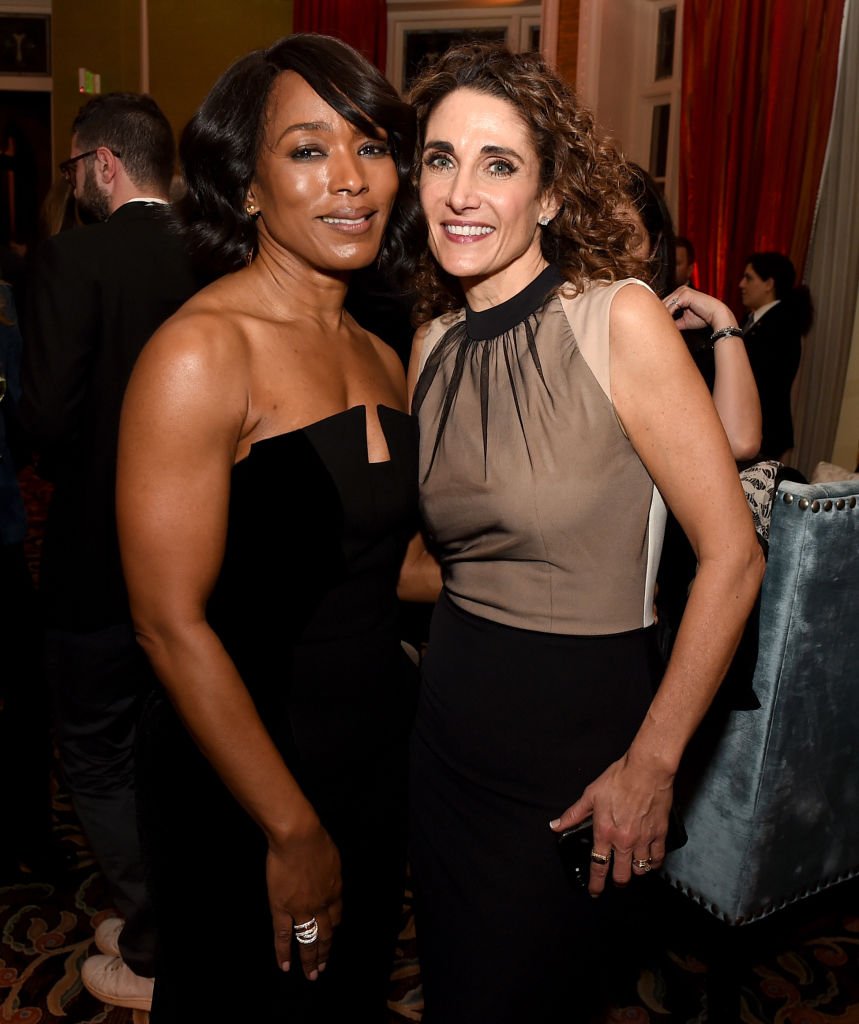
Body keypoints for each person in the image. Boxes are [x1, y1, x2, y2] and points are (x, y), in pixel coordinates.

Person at [404, 42, 764, 1023]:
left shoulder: (620, 320)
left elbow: (734, 557)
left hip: (578, 746)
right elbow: (437, 561)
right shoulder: (431, 340)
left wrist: (651, 765)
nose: (460, 191)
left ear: (552, 194)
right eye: (439, 159)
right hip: (445, 737)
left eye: (499, 162)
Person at [115, 33, 435, 1023]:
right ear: (247, 186)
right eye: (306, 149)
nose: (348, 179)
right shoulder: (202, 351)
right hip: (249, 785)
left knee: (340, 988)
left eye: (372, 146)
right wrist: (291, 830)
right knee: (274, 982)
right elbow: (168, 624)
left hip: (366, 762)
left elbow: (384, 565)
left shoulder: (384, 353)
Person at [18, 92, 199, 1011]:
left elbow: (46, 417)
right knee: (184, 736)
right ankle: (188, 913)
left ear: (99, 165)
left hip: (99, 546)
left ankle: (156, 926)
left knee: (92, 742)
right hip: (208, 550)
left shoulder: (74, 257)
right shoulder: (221, 257)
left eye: (73, 167)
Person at [740, 250, 813, 462]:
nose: (741, 284)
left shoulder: (781, 325)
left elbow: (759, 379)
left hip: (763, 433)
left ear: (769, 284)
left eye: (749, 278)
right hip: (755, 430)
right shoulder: (754, 320)